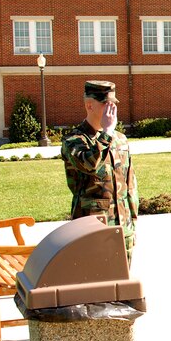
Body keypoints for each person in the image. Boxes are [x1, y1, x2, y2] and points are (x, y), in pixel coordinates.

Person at [61, 80, 138, 265]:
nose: (111, 108)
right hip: (92, 228)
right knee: (94, 286)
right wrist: (107, 133)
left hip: (123, 228)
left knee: (123, 288)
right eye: (105, 103)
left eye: (114, 103)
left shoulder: (120, 139)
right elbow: (89, 165)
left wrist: (132, 223)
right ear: (89, 105)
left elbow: (130, 185)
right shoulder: (74, 140)